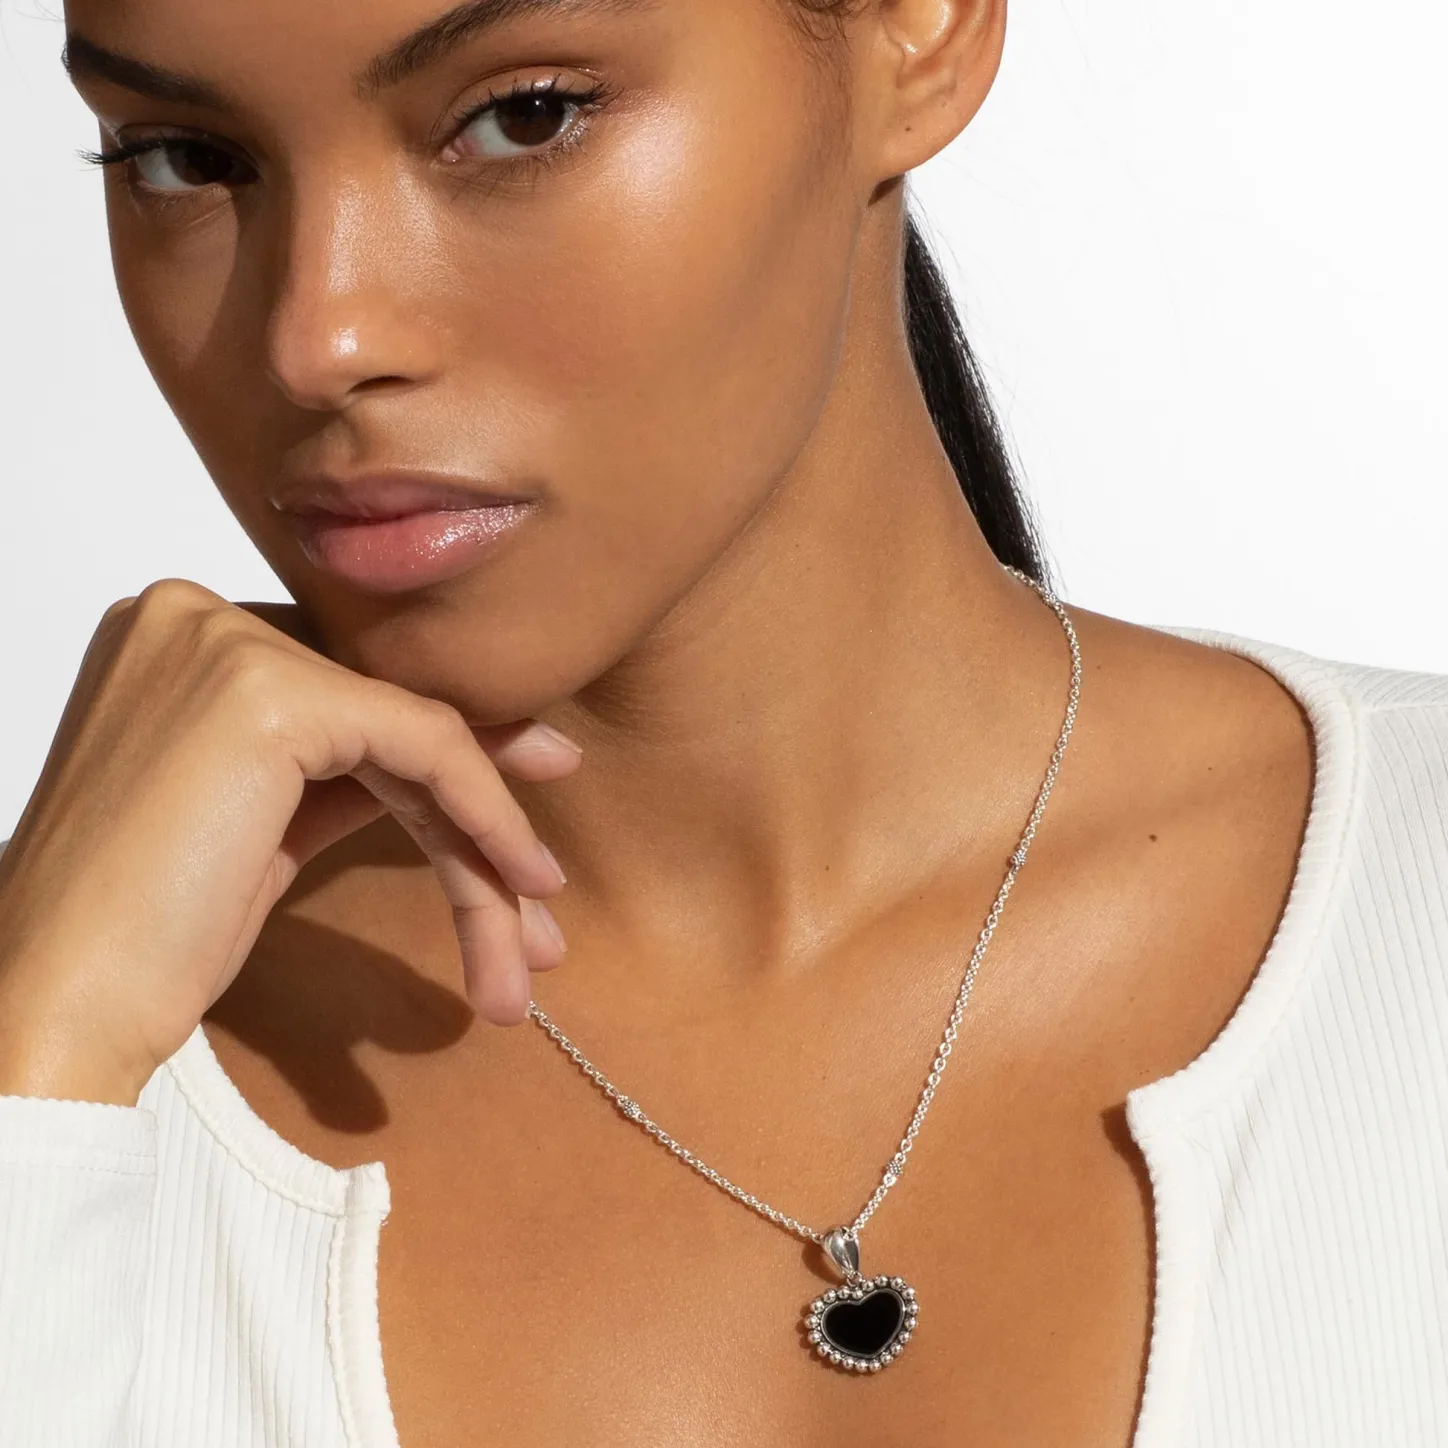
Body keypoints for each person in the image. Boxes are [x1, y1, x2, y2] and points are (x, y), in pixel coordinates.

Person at [1, 0, 1444, 1443]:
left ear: (919, 31)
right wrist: (31, 1065)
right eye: (184, 157)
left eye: (525, 115)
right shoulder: (69, 1050)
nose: (319, 338)